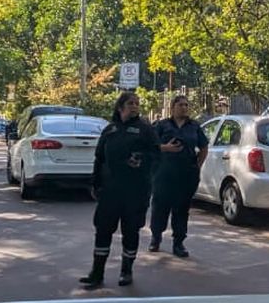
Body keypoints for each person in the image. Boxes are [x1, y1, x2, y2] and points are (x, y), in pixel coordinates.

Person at [80, 92, 160, 289]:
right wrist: (95, 183)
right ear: (120, 107)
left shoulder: (145, 130)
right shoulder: (110, 130)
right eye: (130, 103)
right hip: (110, 191)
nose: (134, 106)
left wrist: (141, 159)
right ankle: (96, 273)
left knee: (131, 231)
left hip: (135, 191)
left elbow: (156, 155)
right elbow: (99, 159)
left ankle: (126, 271)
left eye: (137, 103)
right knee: (103, 230)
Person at [149, 96, 209, 258]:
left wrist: (198, 165)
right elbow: (150, 146)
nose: (184, 107)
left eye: (186, 105)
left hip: (186, 174)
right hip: (164, 173)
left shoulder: (194, 126)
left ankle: (178, 243)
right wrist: (166, 148)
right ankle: (156, 237)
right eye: (180, 105)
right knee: (160, 206)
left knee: (182, 209)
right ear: (173, 107)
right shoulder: (162, 125)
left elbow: (203, 147)